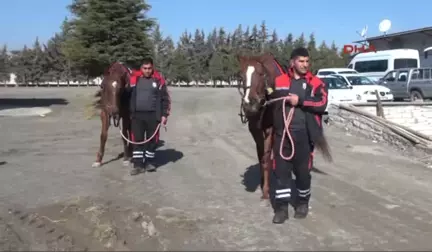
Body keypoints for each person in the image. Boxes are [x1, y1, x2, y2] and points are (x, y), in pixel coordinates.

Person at [269, 47, 328, 224]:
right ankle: (281, 209)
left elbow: (322, 103)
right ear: (292, 62)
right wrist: (267, 93)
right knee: (281, 173)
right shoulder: (279, 80)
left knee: (303, 174)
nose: (304, 64)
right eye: (301, 61)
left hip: (303, 136)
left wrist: (300, 101)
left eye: (307, 61)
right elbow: (270, 95)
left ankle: (303, 202)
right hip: (282, 136)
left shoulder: (316, 83)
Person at [128, 57, 171, 175]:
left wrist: (164, 115)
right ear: (141, 68)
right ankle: (138, 165)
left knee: (152, 140)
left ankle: (149, 162)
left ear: (153, 68)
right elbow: (125, 96)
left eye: (149, 68)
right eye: (145, 68)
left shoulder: (158, 81)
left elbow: (165, 99)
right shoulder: (133, 80)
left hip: (153, 116)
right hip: (137, 116)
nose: (147, 70)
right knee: (137, 140)